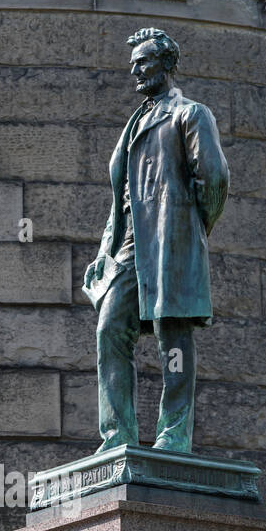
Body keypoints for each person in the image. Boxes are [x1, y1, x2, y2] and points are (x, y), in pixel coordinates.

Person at [83, 27, 229, 454]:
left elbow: (215, 179)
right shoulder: (135, 122)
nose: (136, 70)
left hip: (172, 240)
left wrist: (190, 230)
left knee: (173, 336)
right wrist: (105, 250)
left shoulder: (190, 114)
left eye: (144, 62)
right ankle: (116, 435)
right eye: (134, 63)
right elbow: (121, 197)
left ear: (167, 64)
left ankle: (174, 434)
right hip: (129, 247)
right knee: (110, 328)